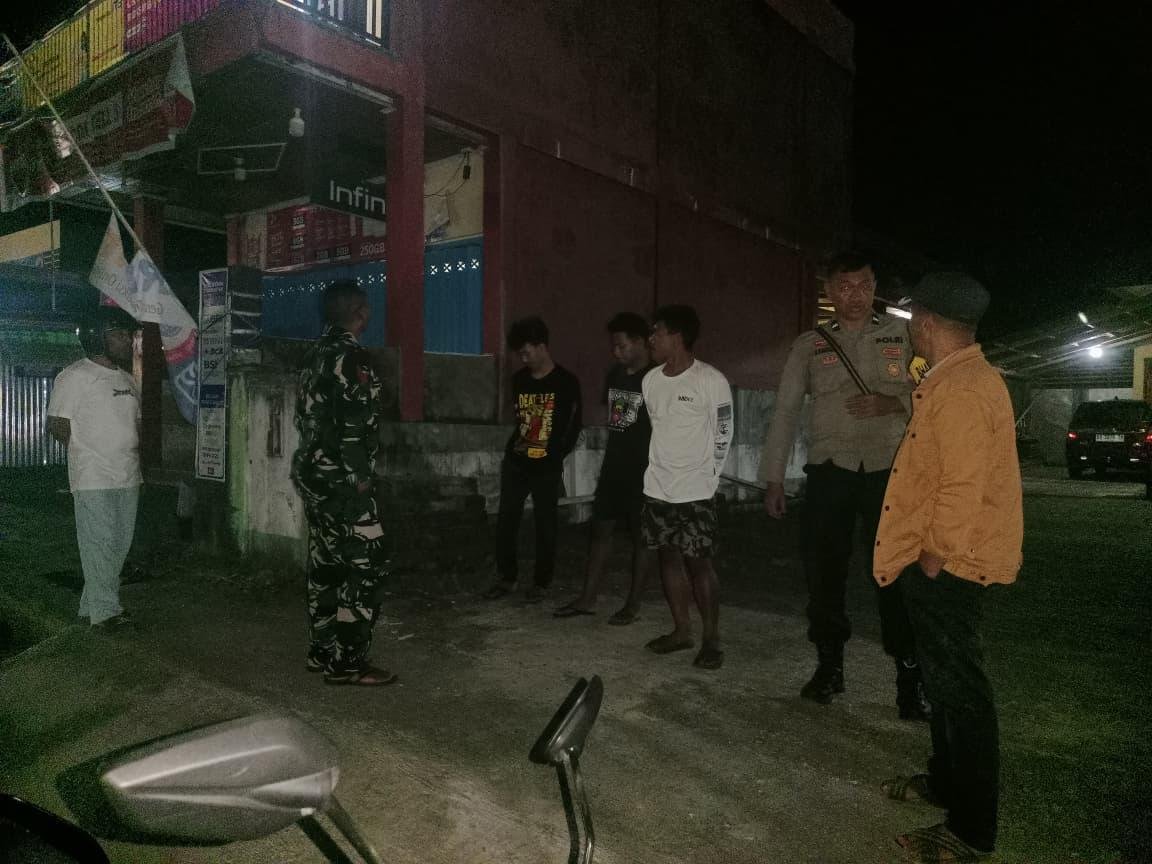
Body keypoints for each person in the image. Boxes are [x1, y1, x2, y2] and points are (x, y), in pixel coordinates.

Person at [874, 273, 1022, 862]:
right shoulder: (958, 378)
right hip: (946, 557)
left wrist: (933, 556)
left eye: (913, 321)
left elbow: (963, 485)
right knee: (942, 682)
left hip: (952, 563)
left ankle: (971, 830)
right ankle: (945, 780)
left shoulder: (962, 389)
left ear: (927, 323)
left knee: (961, 693)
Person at [759, 251, 931, 720]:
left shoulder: (905, 336)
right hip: (830, 471)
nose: (856, 295)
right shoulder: (810, 344)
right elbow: (785, 411)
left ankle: (909, 679)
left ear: (875, 288)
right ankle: (829, 667)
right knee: (824, 573)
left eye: (864, 285)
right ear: (830, 290)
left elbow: (931, 393)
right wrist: (773, 477)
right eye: (846, 286)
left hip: (888, 472)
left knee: (894, 573)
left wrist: (893, 404)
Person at [291, 279, 396, 686]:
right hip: (342, 482)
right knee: (368, 563)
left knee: (326, 563)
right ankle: (349, 662)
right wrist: (360, 480)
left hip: (314, 476)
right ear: (360, 312)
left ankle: (322, 650)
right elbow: (354, 425)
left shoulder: (313, 354)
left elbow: (309, 417)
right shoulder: (352, 357)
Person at [641, 305, 732, 670]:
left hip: (696, 491)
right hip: (658, 489)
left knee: (699, 564)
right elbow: (658, 429)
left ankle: (711, 638)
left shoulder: (710, 380)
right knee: (668, 558)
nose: (651, 339)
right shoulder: (650, 381)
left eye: (657, 332)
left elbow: (724, 433)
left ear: (676, 336)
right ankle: (681, 631)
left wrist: (710, 477)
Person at [554, 312, 655, 624]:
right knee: (600, 530)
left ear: (641, 342)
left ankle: (633, 605)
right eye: (614, 346)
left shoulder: (657, 378)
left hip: (646, 470)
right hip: (614, 466)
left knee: (642, 537)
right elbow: (617, 422)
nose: (616, 352)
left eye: (622, 346)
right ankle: (587, 598)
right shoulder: (616, 375)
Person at [47, 306, 142, 629]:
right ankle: (106, 612)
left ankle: (90, 605)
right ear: (97, 338)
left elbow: (134, 424)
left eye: (128, 335)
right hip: (93, 476)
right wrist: (89, 452)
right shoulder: (75, 376)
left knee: (118, 544)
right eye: (119, 334)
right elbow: (58, 425)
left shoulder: (128, 379)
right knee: (99, 542)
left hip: (128, 474)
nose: (127, 340)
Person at [484, 316, 582, 603]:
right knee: (507, 520)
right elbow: (521, 421)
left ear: (541, 347)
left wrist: (555, 456)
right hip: (517, 461)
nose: (523, 358)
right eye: (519, 353)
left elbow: (573, 425)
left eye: (526, 352)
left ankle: (542, 582)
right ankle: (507, 578)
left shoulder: (566, 382)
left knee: (545, 523)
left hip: (546, 465)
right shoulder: (520, 380)